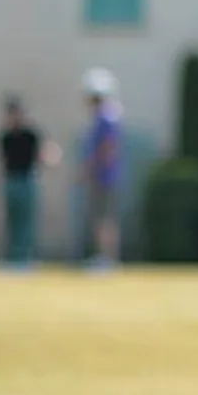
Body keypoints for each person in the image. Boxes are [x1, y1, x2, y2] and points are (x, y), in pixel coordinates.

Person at [0, 96, 59, 267]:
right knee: (13, 222)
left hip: (27, 181)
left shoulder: (31, 135)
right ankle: (13, 259)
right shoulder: (6, 136)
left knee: (27, 223)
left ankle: (26, 259)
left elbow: (43, 156)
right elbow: (3, 163)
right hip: (12, 182)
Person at [80, 68, 124, 270]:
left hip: (103, 178)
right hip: (105, 176)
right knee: (103, 219)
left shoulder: (106, 118)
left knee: (103, 219)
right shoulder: (105, 116)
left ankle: (106, 258)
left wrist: (90, 170)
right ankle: (105, 257)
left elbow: (107, 148)